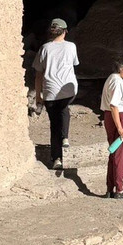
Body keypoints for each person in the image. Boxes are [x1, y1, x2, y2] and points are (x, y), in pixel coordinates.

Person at [33, 18, 79, 169]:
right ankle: (65, 136)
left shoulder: (45, 48)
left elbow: (39, 73)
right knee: (64, 108)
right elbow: (74, 63)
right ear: (65, 31)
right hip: (68, 89)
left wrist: (38, 95)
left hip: (51, 90)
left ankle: (56, 159)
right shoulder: (71, 46)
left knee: (54, 124)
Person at [101, 52, 123, 199]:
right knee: (119, 155)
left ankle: (111, 187)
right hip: (119, 118)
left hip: (112, 117)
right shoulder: (116, 81)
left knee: (114, 153)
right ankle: (119, 189)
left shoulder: (112, 78)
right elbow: (114, 105)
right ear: (122, 67)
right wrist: (121, 128)